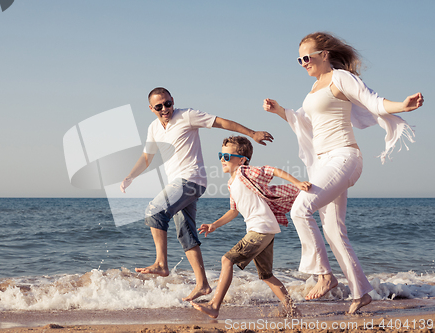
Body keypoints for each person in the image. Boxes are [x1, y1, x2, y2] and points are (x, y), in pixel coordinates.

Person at [263, 32, 424, 314]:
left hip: (344, 156)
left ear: (324, 55)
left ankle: (324, 275)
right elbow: (304, 121)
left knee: (301, 209)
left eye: (307, 57)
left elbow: (372, 100)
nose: (303, 63)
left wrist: (402, 106)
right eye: (299, 59)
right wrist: (280, 111)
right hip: (324, 162)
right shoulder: (314, 89)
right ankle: (361, 292)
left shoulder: (341, 78)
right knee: (334, 231)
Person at [120, 87, 274, 301]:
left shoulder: (187, 115)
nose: (165, 109)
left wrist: (252, 133)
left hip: (191, 180)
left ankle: (161, 263)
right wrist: (130, 176)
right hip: (178, 183)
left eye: (168, 103)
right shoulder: (154, 128)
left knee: (154, 211)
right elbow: (147, 157)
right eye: (159, 106)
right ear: (151, 108)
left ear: (173, 100)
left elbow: (222, 123)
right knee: (186, 234)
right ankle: (202, 284)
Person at [190, 136, 311, 318]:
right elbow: (233, 211)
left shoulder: (244, 172)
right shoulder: (232, 183)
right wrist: (214, 225)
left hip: (260, 229)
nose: (222, 159)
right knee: (266, 275)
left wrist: (297, 183)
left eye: (227, 156)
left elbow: (272, 170)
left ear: (242, 160)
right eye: (220, 155)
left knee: (226, 260)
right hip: (265, 230)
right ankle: (292, 309)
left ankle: (215, 305)